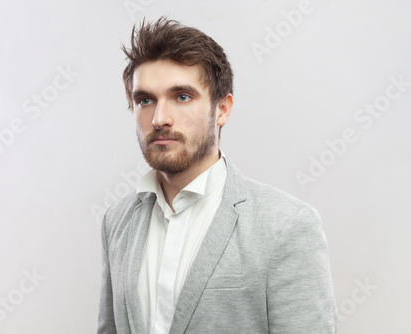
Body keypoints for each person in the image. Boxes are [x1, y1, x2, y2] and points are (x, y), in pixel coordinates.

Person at [98, 17, 337, 334]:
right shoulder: (117, 221)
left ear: (222, 109)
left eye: (182, 96)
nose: (160, 118)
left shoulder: (288, 225)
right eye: (145, 100)